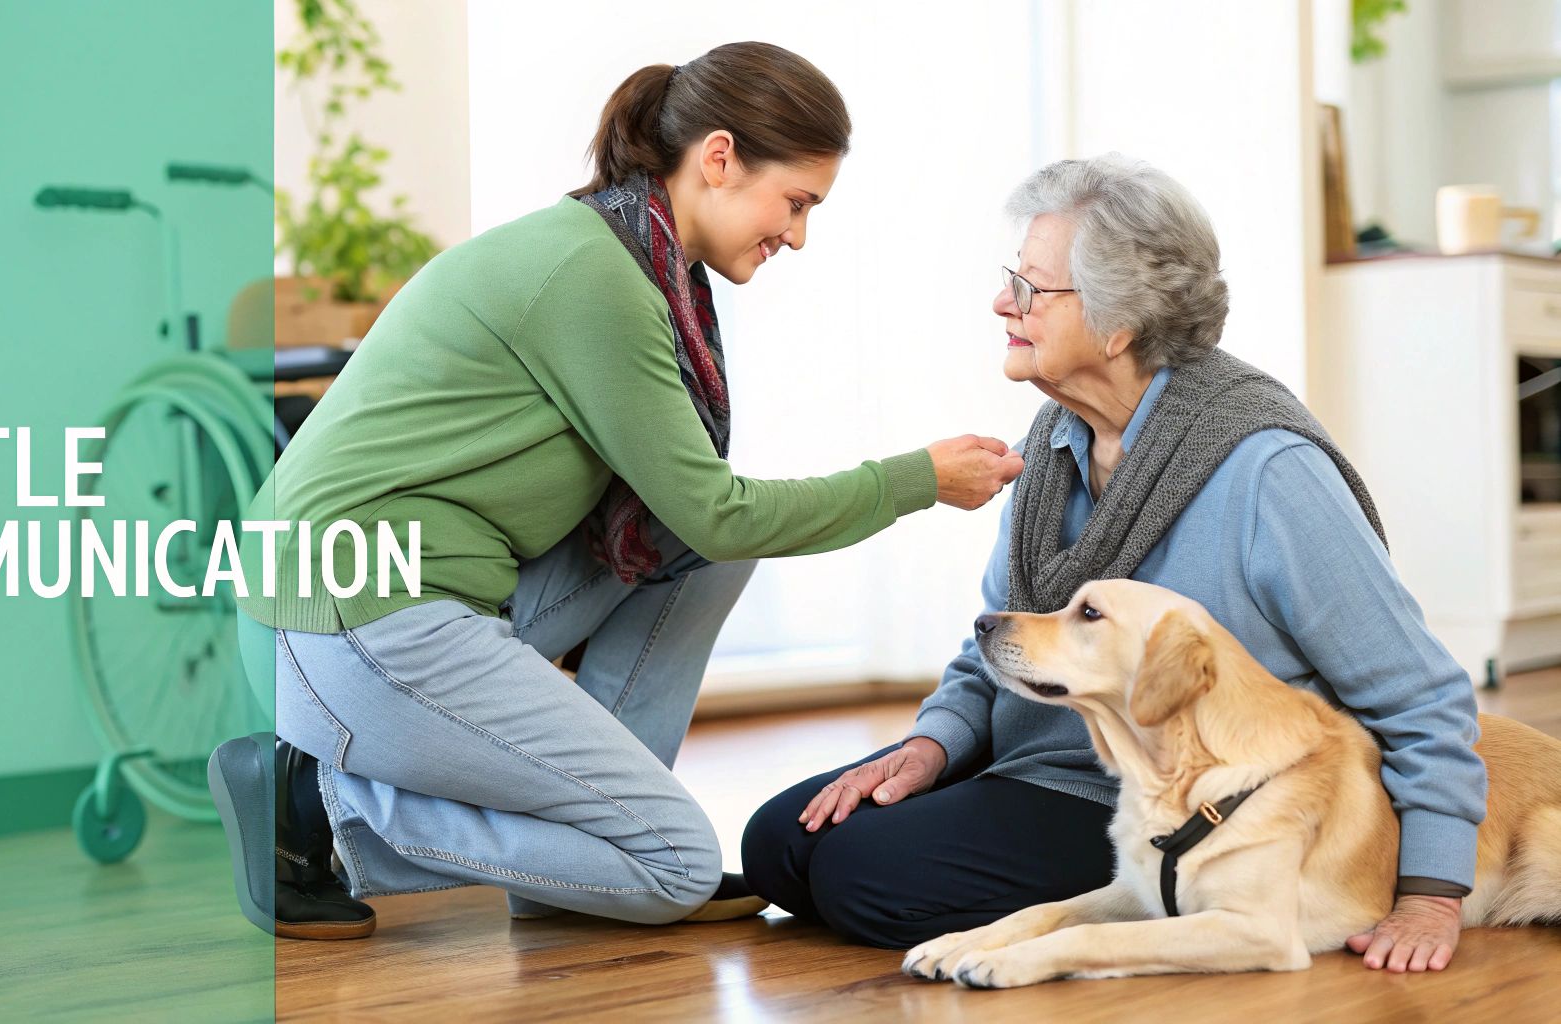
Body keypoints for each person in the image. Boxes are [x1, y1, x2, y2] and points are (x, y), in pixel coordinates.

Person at [207, 41, 1024, 940]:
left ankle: (590, 857)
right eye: (795, 203)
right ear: (718, 158)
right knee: (672, 864)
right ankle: (322, 804)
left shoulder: (631, 259)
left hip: (426, 592)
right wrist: (917, 479)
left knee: (709, 556)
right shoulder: (598, 276)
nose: (797, 235)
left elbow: (703, 527)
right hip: (342, 617)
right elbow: (714, 505)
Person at [741, 153, 1489, 975]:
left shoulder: (1266, 470)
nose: (1002, 302)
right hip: (1038, 755)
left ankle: (1127, 911)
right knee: (779, 843)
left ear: (1118, 321)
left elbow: (1419, 692)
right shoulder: (1051, 446)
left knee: (862, 878)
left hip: (1171, 800)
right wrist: (933, 746)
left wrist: (1429, 890)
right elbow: (992, 643)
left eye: (1030, 287)